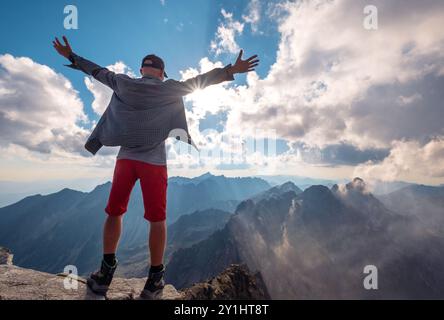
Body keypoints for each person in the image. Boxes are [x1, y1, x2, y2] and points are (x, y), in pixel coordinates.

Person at [52, 36, 259, 299]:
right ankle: (154, 282)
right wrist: (231, 70)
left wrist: (71, 55)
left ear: (141, 70)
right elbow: (200, 82)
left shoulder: (122, 82)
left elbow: (95, 70)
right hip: (154, 164)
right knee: (157, 220)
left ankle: (104, 275)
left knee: (114, 213)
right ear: (161, 73)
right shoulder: (169, 88)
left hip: (125, 160)